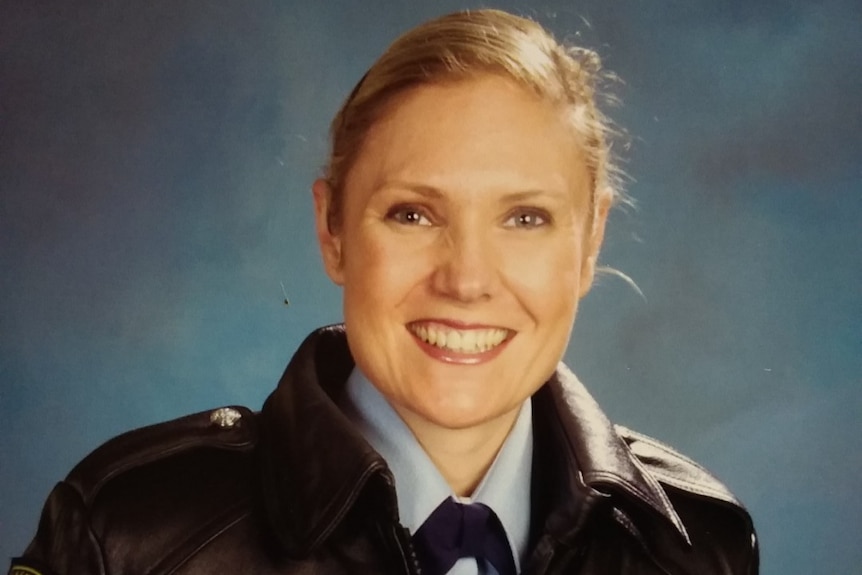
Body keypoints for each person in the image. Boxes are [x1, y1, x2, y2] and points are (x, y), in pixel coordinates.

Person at [9, 8, 757, 575]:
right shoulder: (130, 534)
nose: (466, 278)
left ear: (590, 242)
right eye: (412, 213)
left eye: (524, 217)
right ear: (332, 229)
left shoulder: (699, 542)